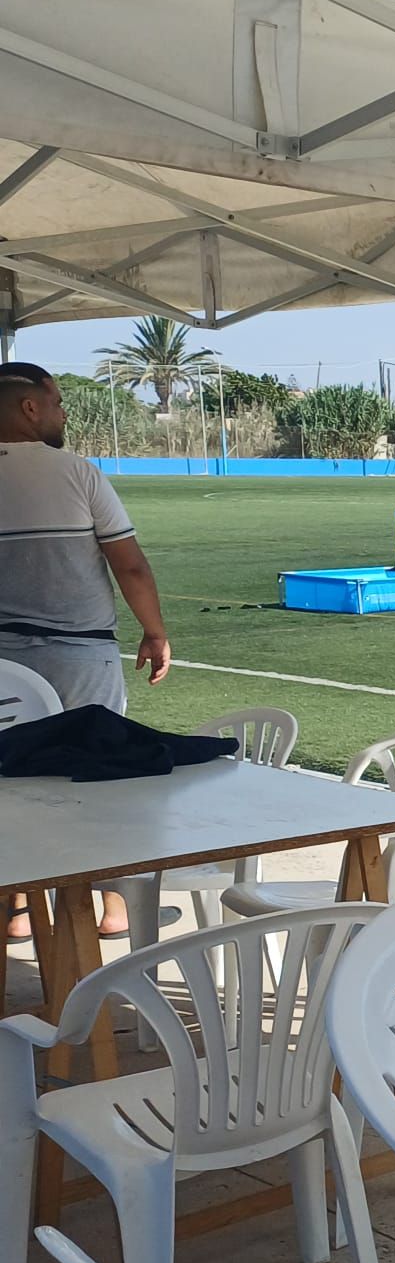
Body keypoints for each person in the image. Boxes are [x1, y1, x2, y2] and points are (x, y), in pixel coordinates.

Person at [0, 361, 171, 941]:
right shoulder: (77, 473)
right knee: (99, 779)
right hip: (79, 655)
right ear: (30, 408)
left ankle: (20, 906)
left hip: (3, 666)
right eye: (57, 403)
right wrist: (154, 631)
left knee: (13, 777)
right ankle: (112, 906)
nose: (64, 414)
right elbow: (130, 565)